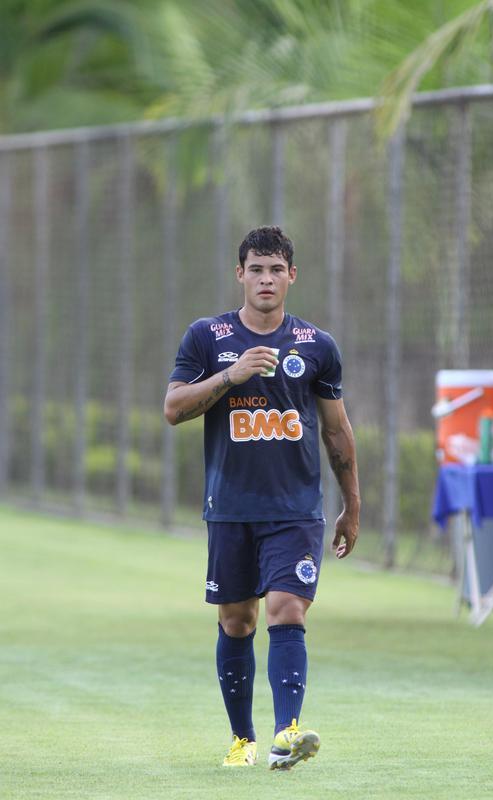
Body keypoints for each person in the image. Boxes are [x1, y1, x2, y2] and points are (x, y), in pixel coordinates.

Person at [164, 226, 360, 770]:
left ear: (292, 276)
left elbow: (338, 431)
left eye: (277, 269)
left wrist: (352, 504)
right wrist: (232, 374)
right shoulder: (208, 336)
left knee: (286, 608)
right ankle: (242, 739)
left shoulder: (317, 347)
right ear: (240, 275)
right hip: (230, 506)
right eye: (257, 269)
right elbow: (174, 408)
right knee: (237, 621)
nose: (267, 279)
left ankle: (285, 735)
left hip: (295, 509)